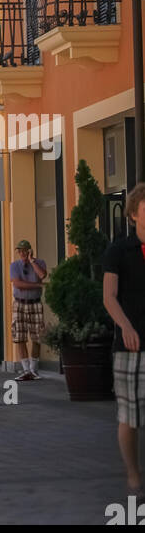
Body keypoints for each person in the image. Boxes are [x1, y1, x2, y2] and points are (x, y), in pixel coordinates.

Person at [103, 182, 145, 498]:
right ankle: (134, 475)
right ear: (133, 214)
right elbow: (109, 297)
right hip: (132, 346)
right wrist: (126, 327)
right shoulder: (119, 250)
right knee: (130, 416)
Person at [10, 239, 47, 380]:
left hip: (35, 303)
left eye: (24, 250)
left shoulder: (40, 263)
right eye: (19, 251)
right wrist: (38, 285)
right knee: (19, 336)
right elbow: (18, 284)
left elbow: (43, 275)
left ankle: (33, 370)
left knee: (37, 336)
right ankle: (25, 370)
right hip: (19, 303)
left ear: (30, 251)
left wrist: (32, 261)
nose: (22, 253)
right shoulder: (14, 265)